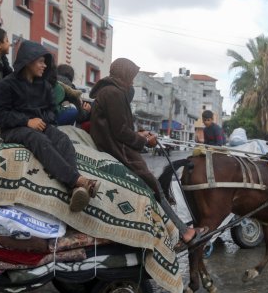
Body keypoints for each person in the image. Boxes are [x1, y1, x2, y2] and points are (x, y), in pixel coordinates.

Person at [89, 57, 207, 252]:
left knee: (155, 186)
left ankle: (178, 230)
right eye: (131, 76)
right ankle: (184, 232)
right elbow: (120, 132)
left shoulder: (109, 91)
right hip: (118, 150)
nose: (133, 81)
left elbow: (118, 128)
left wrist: (138, 134)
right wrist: (144, 141)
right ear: (124, 74)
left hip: (116, 144)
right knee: (154, 187)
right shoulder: (114, 93)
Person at [0, 40, 99, 213]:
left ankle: (75, 189)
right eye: (40, 61)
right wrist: (27, 121)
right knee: (39, 140)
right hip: (14, 128)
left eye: (45, 62)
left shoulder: (45, 86)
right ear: (28, 61)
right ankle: (78, 181)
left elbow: (51, 112)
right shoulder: (6, 84)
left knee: (62, 139)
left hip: (40, 125)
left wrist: (41, 120)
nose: (44, 65)